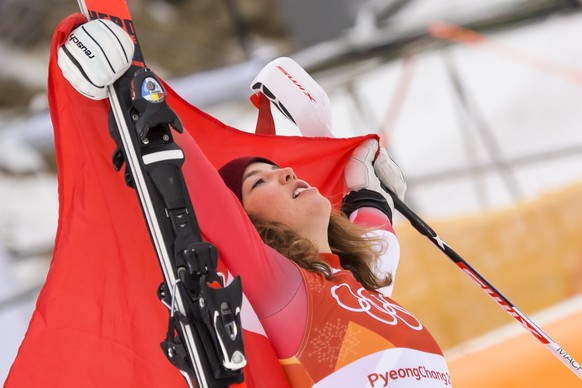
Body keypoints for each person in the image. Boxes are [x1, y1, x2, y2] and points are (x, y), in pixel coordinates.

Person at [57, 18, 451, 387]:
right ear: (253, 226)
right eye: (259, 181)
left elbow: (373, 235)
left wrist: (369, 192)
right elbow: (199, 189)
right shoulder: (287, 292)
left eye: (281, 170)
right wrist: (129, 87)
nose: (288, 174)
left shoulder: (369, 284)